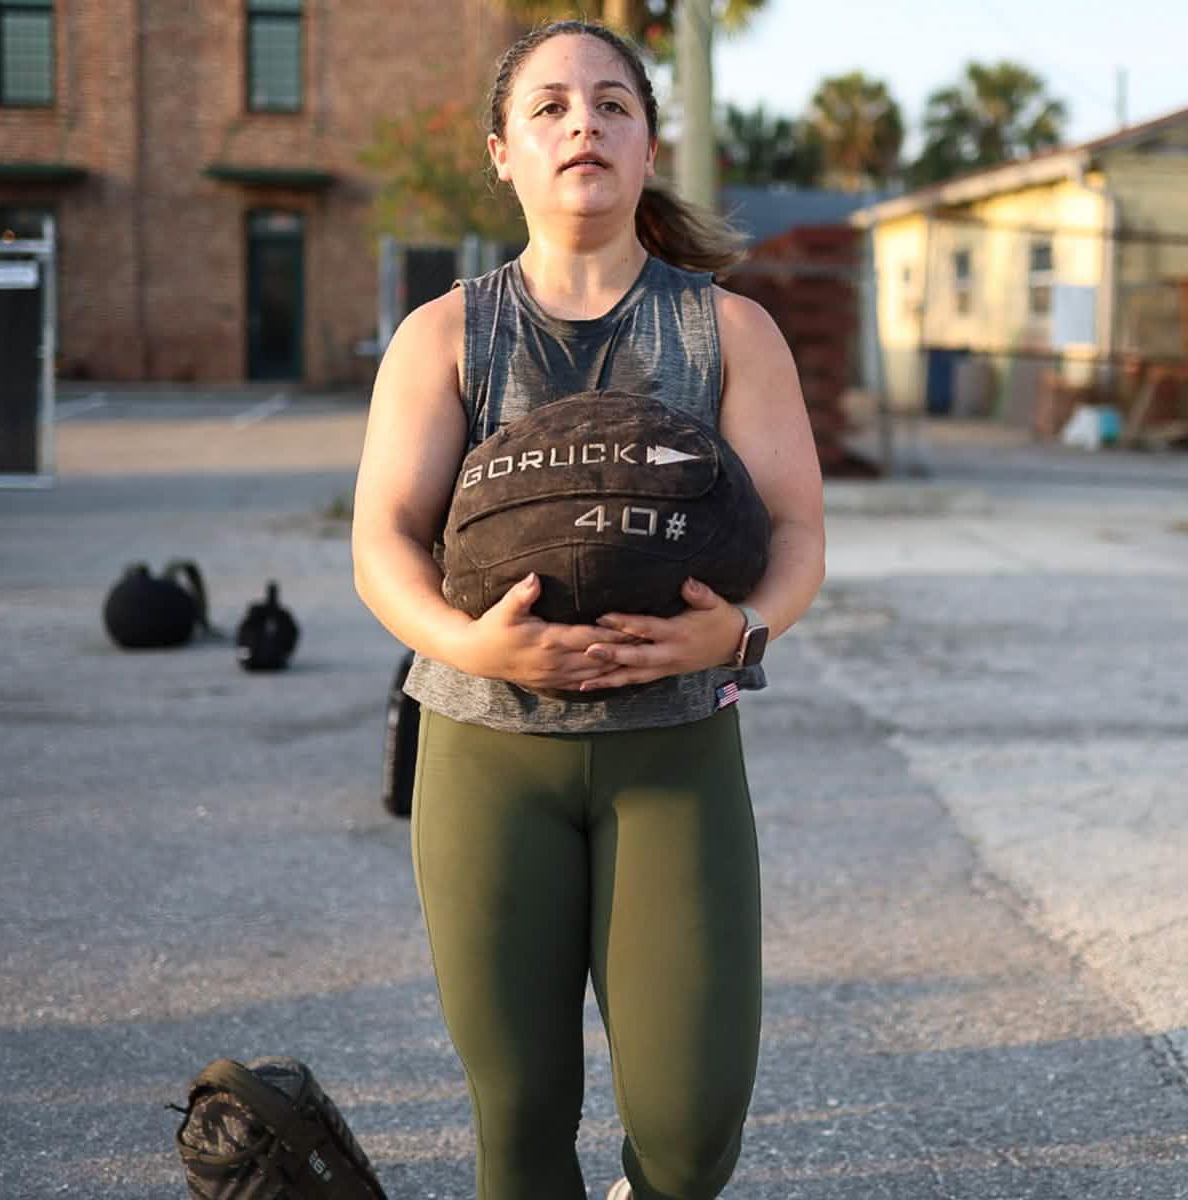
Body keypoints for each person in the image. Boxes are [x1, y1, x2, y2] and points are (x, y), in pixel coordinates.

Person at [351, 19, 825, 1200]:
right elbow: (383, 545)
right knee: (517, 1126)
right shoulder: (446, 336)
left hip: (674, 744)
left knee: (689, 1131)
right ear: (503, 151)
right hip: (487, 751)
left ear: (650, 145)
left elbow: (803, 534)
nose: (584, 126)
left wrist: (742, 631)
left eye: (613, 104)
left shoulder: (729, 332)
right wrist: (466, 641)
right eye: (552, 107)